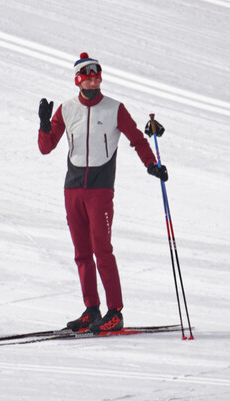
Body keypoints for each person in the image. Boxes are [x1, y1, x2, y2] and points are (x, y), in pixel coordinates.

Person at [37, 53, 168, 334]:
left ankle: (115, 312)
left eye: (98, 77)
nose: (95, 82)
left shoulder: (114, 109)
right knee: (82, 253)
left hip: (100, 190)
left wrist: (152, 165)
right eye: (89, 78)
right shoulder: (67, 109)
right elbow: (46, 147)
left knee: (102, 250)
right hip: (73, 189)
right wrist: (45, 125)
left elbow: (136, 138)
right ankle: (91, 310)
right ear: (78, 80)